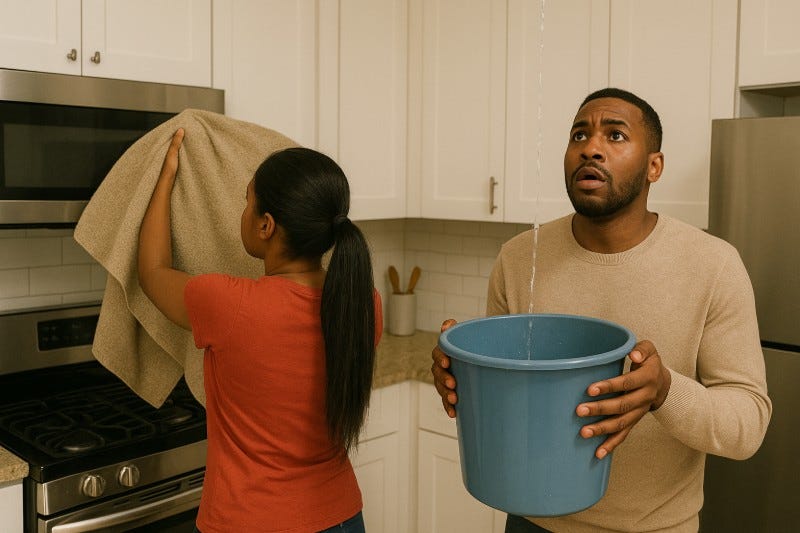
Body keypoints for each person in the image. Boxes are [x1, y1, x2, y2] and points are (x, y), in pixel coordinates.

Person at [430, 88, 771, 533]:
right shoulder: (518, 258)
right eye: (579, 135)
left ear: (654, 167)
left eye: (615, 135)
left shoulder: (714, 265)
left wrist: (665, 390)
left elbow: (747, 425)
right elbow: (506, 401)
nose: (590, 148)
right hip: (530, 521)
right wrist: (461, 375)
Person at [138, 129, 382, 533]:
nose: (243, 212)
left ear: (266, 225)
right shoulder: (362, 303)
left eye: (246, 202)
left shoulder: (226, 303)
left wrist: (165, 178)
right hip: (341, 518)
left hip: (247, 521)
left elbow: (152, 272)